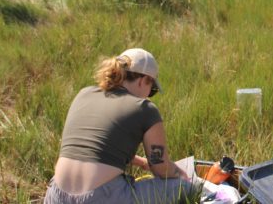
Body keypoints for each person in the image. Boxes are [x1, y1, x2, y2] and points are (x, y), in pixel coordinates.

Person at [44, 48, 193, 203]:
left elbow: (95, 147)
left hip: (56, 195)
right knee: (185, 188)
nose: (150, 95)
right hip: (100, 198)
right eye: (152, 90)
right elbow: (161, 168)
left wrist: (140, 162)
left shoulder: (84, 94)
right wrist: (185, 177)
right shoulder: (144, 108)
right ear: (143, 81)